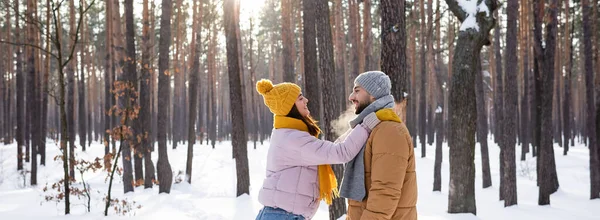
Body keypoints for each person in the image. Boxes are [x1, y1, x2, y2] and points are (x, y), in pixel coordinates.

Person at [255, 79, 381, 220]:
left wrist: (357, 127)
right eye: (301, 98)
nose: (306, 100)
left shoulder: (288, 134)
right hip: (282, 216)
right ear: (290, 107)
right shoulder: (294, 139)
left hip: (281, 214)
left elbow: (332, 149)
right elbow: (341, 152)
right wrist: (366, 126)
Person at [340, 71, 418, 220]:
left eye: (357, 91)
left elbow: (385, 191)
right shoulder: (372, 127)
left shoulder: (389, 130)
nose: (351, 97)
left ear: (373, 95)